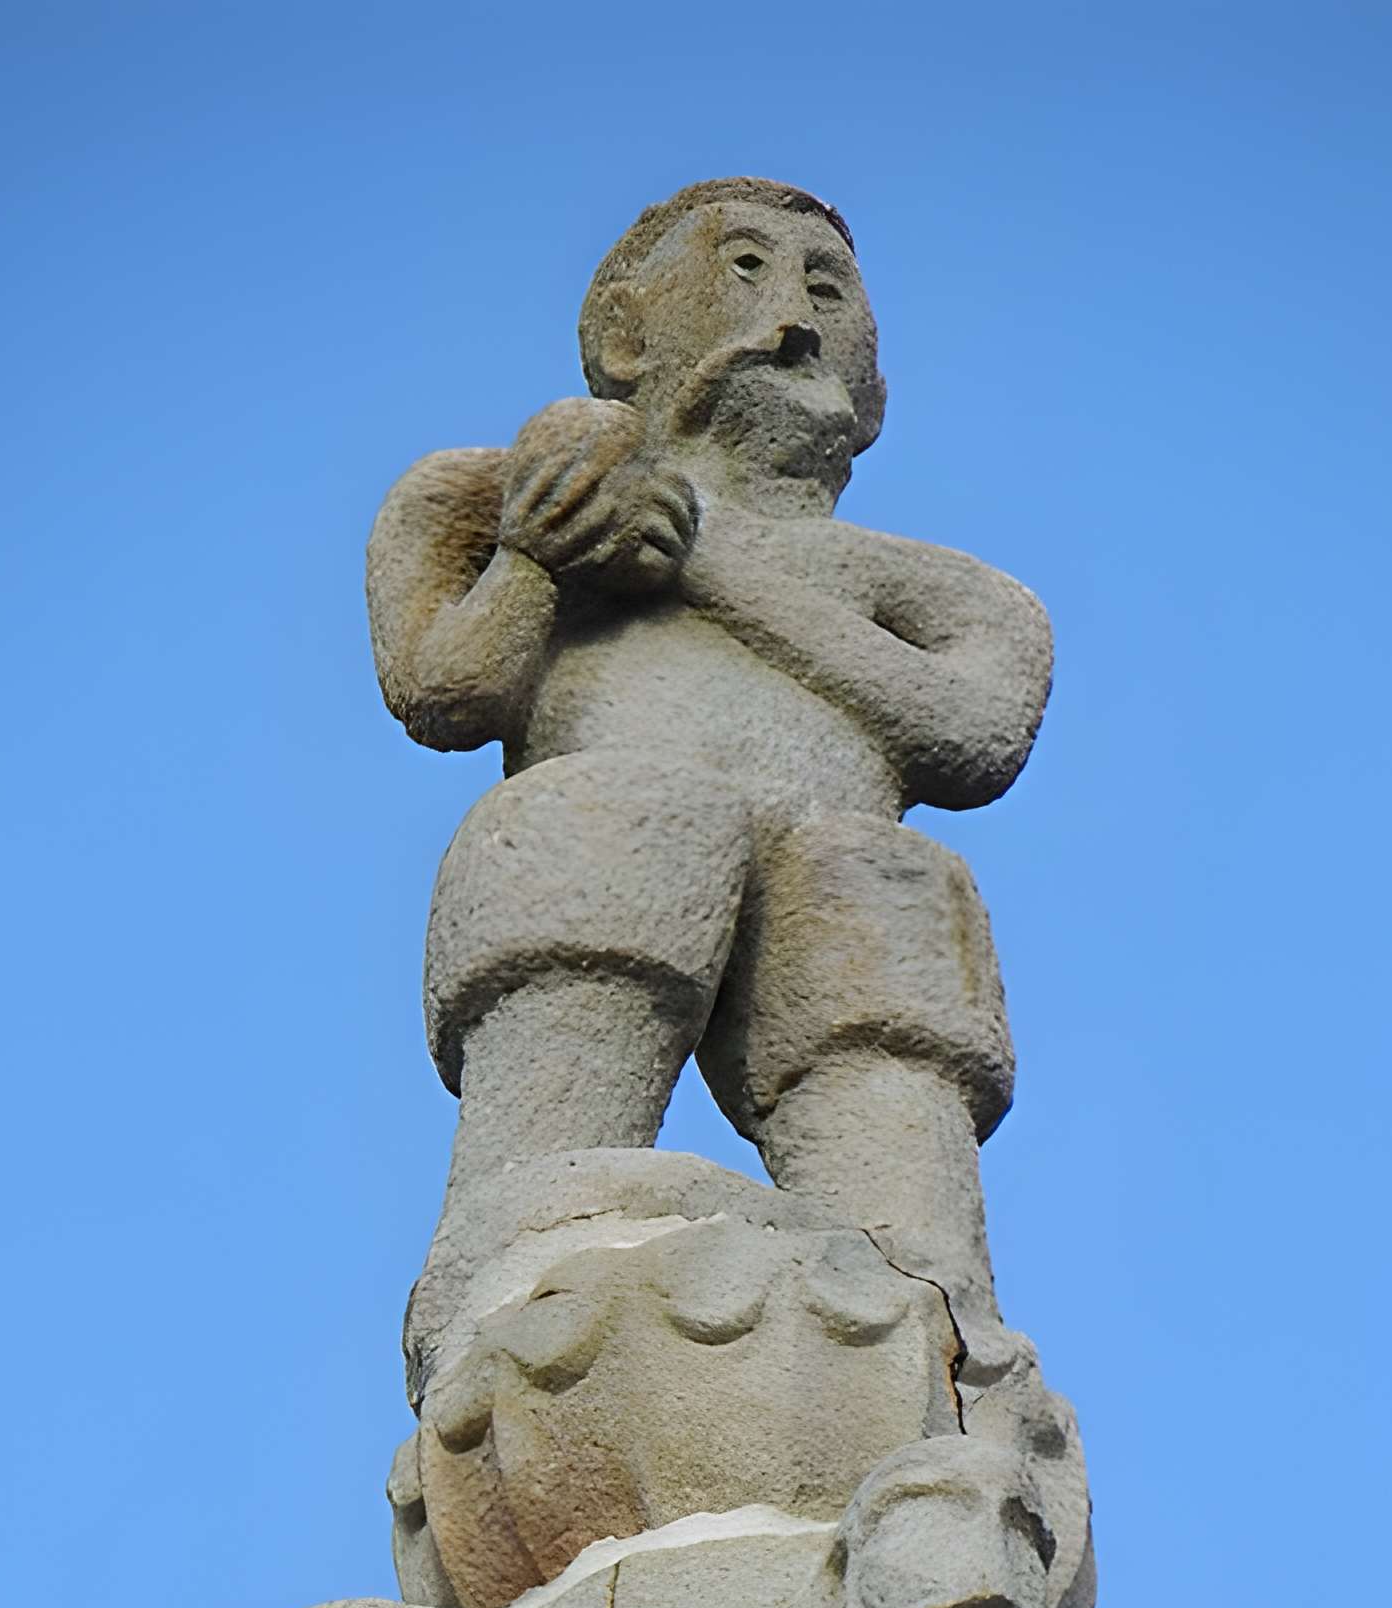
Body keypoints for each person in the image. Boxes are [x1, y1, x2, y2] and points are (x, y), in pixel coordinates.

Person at [367, 176, 1052, 1350]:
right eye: (745, 271)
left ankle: (930, 1320)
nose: (792, 316)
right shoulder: (496, 496)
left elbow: (973, 728)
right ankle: (515, 1247)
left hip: (840, 888)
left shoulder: (940, 589)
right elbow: (446, 687)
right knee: (622, 816)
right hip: (598, 857)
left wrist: (694, 555)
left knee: (878, 882)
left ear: (874, 394)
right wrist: (535, 554)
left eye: (825, 289)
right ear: (625, 335)